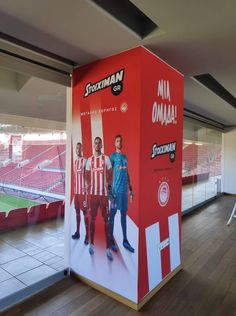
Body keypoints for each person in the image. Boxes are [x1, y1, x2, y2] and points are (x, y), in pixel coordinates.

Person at [86, 137, 113, 261]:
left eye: (99, 143)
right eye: (95, 143)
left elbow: (110, 174)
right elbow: (86, 175)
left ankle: (108, 248)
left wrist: (109, 187)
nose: (97, 145)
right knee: (92, 219)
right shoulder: (89, 160)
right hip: (93, 195)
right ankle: (91, 244)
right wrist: (88, 185)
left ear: (102, 145)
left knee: (106, 220)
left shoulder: (106, 159)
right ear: (93, 145)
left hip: (103, 195)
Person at [109, 135, 135, 253]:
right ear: (115, 143)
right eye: (117, 141)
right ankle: (110, 240)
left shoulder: (125, 157)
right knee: (112, 214)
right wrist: (109, 189)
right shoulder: (113, 157)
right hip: (115, 191)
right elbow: (108, 174)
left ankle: (125, 240)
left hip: (124, 192)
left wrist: (131, 188)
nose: (119, 143)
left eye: (121, 141)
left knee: (124, 216)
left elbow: (127, 173)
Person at [72, 142, 89, 245]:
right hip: (76, 193)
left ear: (82, 149)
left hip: (83, 193)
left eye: (79, 148)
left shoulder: (85, 161)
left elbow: (88, 176)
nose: (78, 149)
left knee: (85, 213)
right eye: (76, 148)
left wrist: (86, 191)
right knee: (77, 212)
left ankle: (87, 235)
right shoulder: (75, 162)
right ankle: (78, 232)